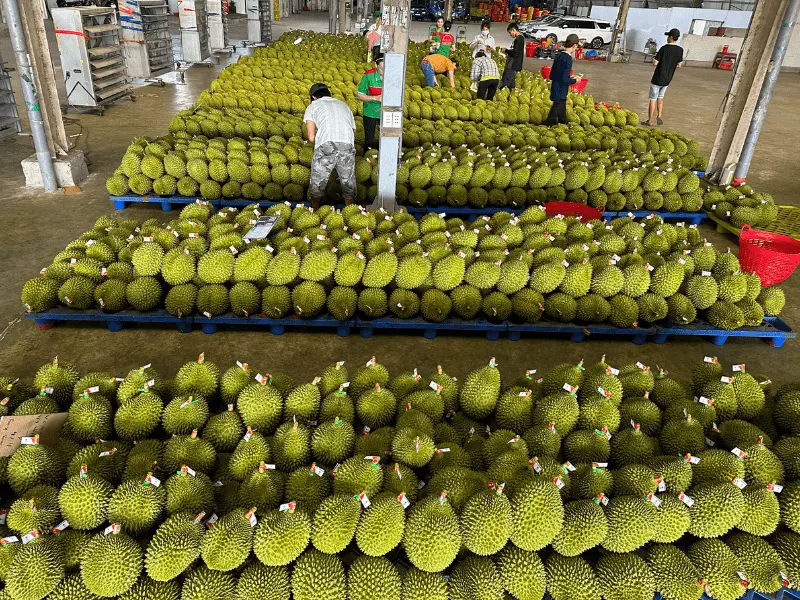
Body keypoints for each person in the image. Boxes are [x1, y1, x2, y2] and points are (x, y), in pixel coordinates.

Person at [303, 83, 357, 209]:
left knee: (318, 181)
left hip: (326, 143)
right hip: (347, 142)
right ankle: (350, 211)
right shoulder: (344, 105)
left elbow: (311, 137)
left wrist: (322, 142)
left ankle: (315, 211)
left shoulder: (313, 106)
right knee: (348, 181)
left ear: (313, 97)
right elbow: (352, 130)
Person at [645, 28, 684, 126]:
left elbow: (655, 63)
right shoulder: (680, 50)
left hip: (658, 78)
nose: (667, 38)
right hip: (668, 79)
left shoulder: (664, 48)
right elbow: (679, 65)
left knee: (653, 98)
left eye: (668, 36)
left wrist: (658, 61)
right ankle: (659, 115)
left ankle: (650, 120)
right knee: (661, 97)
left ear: (671, 37)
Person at [544, 33, 583, 125]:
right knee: (556, 108)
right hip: (561, 90)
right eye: (577, 46)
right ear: (574, 45)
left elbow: (552, 75)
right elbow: (564, 80)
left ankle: (562, 122)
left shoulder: (559, 55)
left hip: (555, 87)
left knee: (561, 106)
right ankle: (548, 124)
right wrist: (575, 80)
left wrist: (569, 77)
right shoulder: (568, 59)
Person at [356, 54, 384, 149]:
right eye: (382, 68)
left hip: (386, 113)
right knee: (369, 140)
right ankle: (368, 153)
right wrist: (376, 98)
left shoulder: (392, 76)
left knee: (387, 138)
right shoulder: (368, 75)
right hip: (370, 112)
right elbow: (359, 95)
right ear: (376, 65)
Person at [499, 22, 525, 90]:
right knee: (511, 84)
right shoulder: (520, 38)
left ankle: (502, 92)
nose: (510, 35)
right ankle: (511, 93)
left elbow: (515, 53)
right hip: (515, 64)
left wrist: (506, 51)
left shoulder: (518, 39)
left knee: (506, 81)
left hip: (513, 65)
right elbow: (516, 51)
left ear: (513, 30)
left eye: (510, 32)